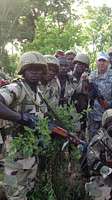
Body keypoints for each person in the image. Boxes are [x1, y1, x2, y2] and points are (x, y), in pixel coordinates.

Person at [0, 51, 47, 199]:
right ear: (23, 70)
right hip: (14, 158)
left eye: (38, 68)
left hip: (31, 156)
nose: (34, 71)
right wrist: (20, 117)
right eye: (30, 68)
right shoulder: (17, 88)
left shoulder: (38, 93)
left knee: (27, 191)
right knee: (13, 194)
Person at [88, 52, 112, 138]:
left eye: (104, 61)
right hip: (93, 116)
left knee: (108, 141)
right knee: (93, 141)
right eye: (100, 60)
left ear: (108, 63)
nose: (102, 63)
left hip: (108, 116)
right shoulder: (92, 75)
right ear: (96, 62)